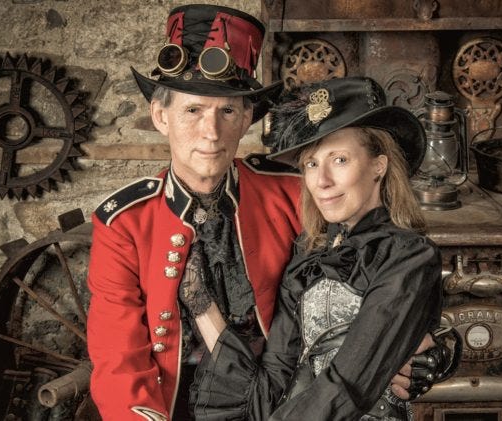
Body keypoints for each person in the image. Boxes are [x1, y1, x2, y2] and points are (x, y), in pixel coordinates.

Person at [86, 5, 457, 421]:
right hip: (171, 406)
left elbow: (382, 275)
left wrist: (434, 349)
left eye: (227, 111)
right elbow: (117, 359)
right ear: (161, 117)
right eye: (193, 110)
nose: (211, 132)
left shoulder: (292, 192)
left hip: (284, 400)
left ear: (247, 117)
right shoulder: (125, 222)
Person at [183, 77, 459, 420]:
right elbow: (274, 380)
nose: (322, 181)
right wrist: (203, 307)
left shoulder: (409, 256)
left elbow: (349, 385)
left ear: (379, 165)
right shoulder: (308, 254)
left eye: (339, 160)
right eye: (311, 164)